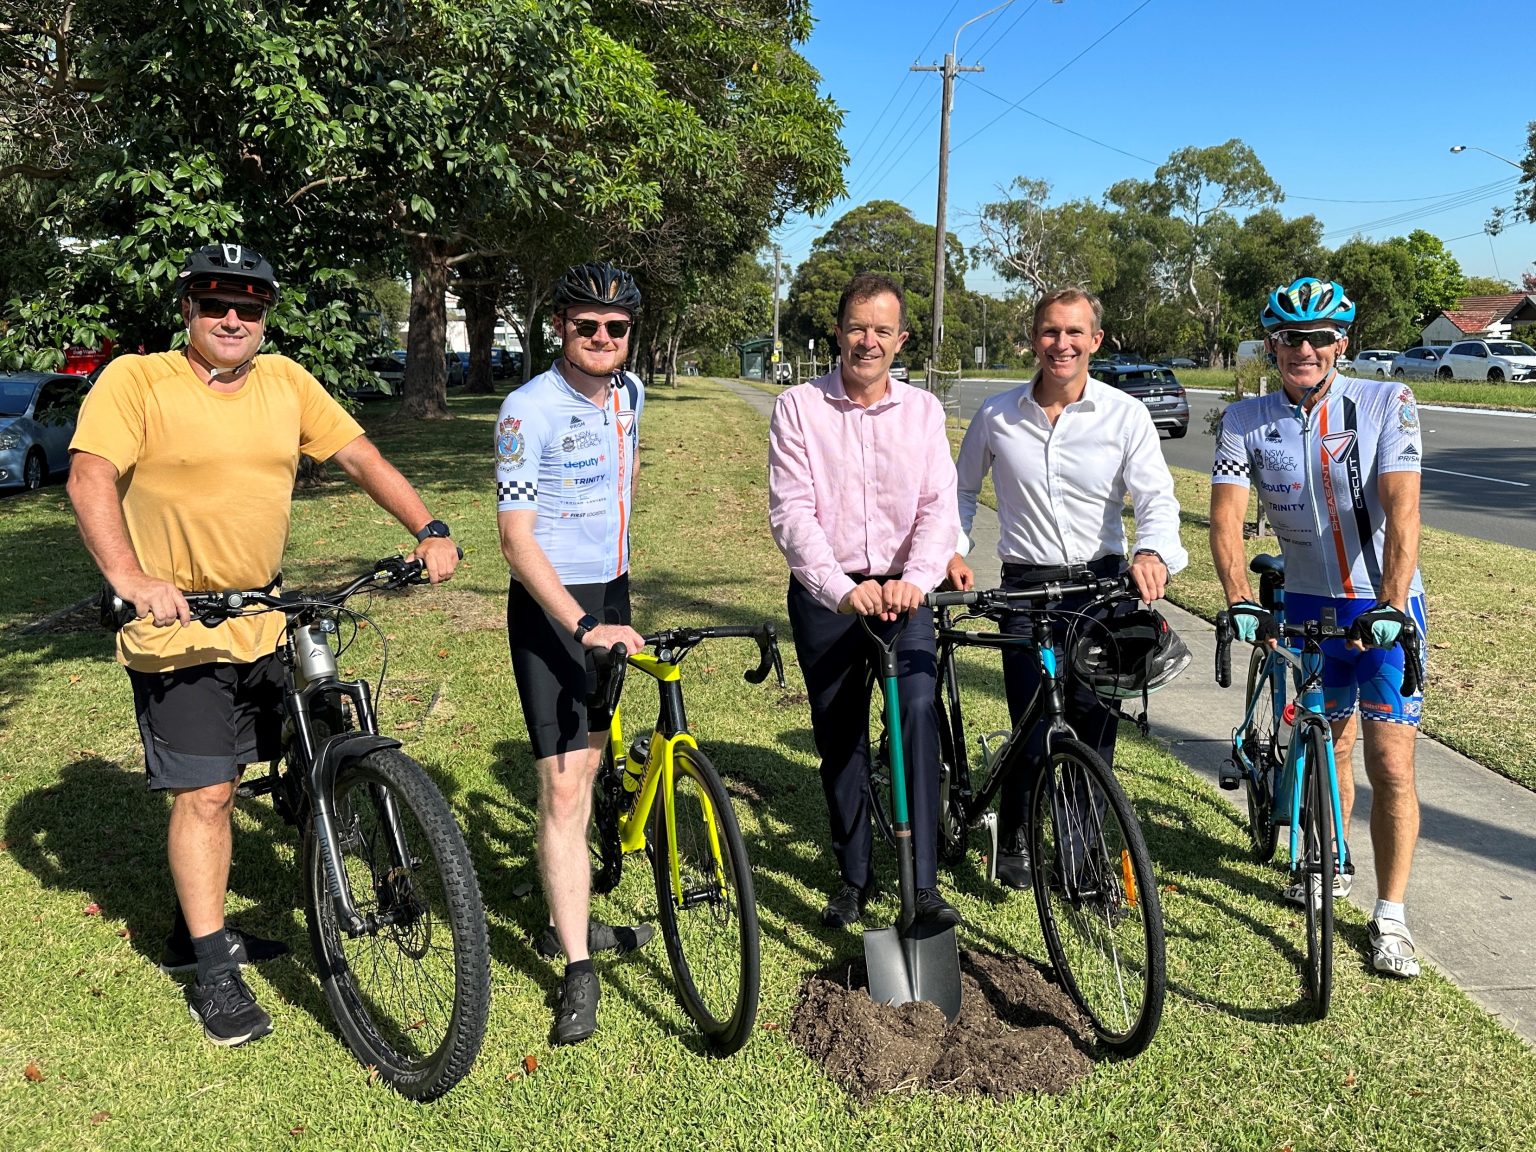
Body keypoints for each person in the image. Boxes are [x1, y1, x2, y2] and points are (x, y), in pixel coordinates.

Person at [67, 242, 460, 1047]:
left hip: (266, 615)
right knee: (208, 793)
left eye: (249, 306)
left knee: (304, 742)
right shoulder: (137, 380)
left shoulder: (285, 381)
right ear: (189, 310)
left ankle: (233, 904)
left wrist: (428, 526)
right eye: (216, 303)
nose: (233, 318)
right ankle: (210, 968)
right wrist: (132, 577)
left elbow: (360, 456)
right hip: (178, 628)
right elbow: (89, 477)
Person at [1209, 276, 1426, 979]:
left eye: (1319, 337)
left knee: (1390, 762)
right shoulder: (1246, 418)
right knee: (1328, 745)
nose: (1304, 349)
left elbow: (1403, 512)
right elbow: (1226, 520)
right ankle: (1331, 862)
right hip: (1303, 604)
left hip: (1378, 606)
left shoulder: (1386, 402)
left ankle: (1390, 917)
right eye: (1289, 338)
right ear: (1272, 345)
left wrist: (1391, 604)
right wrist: (1242, 596)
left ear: (1342, 344)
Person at [947, 287, 1188, 889]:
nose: (1063, 344)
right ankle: (1021, 833)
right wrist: (952, 546)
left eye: (1075, 333)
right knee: (1031, 723)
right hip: (1026, 592)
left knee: (1093, 724)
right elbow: (960, 490)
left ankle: (1080, 851)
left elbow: (1156, 496)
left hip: (1100, 589)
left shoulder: (1124, 415)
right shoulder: (997, 415)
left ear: (1095, 341)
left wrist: (1152, 551)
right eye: (1051, 332)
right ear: (1034, 340)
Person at [767, 272, 962, 931]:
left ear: (901, 339)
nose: (868, 341)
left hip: (905, 593)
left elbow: (940, 507)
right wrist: (843, 590)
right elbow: (792, 514)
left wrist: (920, 577)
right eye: (857, 327)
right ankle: (854, 877)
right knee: (840, 735)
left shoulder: (924, 411)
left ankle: (924, 884)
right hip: (831, 596)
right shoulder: (799, 407)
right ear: (838, 331)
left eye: (882, 330)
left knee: (915, 713)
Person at [495, 261, 654, 1044]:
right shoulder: (528, 410)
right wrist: (579, 624)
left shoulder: (630, 396)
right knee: (563, 791)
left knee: (590, 766)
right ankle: (576, 966)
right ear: (560, 326)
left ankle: (576, 908)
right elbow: (515, 541)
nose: (601, 338)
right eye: (586, 324)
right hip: (554, 607)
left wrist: (608, 612)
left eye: (615, 327)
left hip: (613, 592)